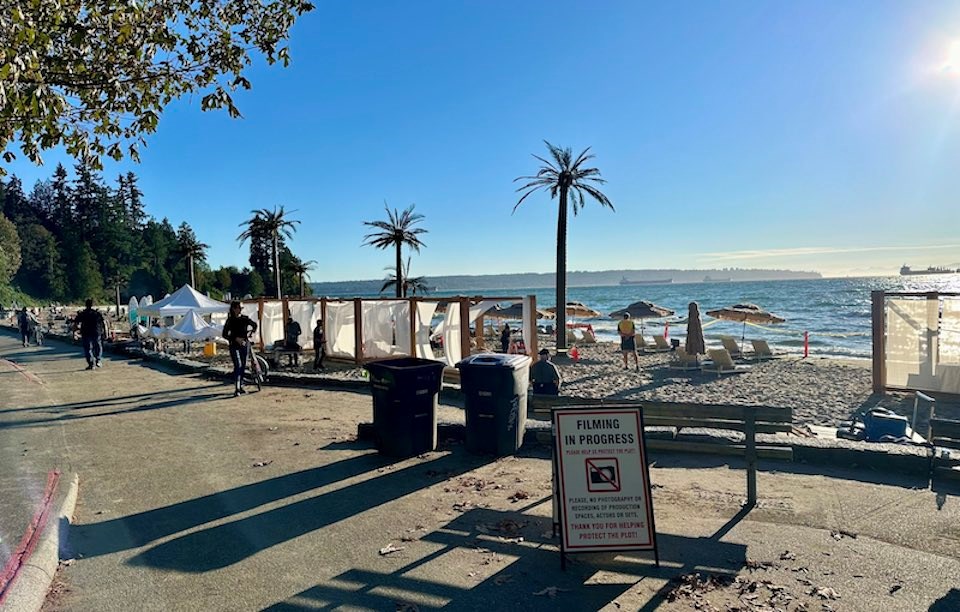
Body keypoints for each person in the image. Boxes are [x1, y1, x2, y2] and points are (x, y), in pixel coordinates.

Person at [222, 300, 258, 397]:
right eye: (239, 308)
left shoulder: (245, 319)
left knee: (242, 366)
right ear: (234, 309)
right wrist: (235, 338)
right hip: (234, 345)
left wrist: (251, 333)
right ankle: (237, 388)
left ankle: (240, 386)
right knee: (238, 365)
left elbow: (254, 325)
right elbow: (224, 334)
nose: (240, 310)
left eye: (242, 308)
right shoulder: (230, 321)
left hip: (244, 344)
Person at [74, 299, 107, 369]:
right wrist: (106, 333)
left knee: (88, 348)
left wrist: (75, 332)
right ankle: (98, 360)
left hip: (86, 333)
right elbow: (104, 323)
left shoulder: (83, 313)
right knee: (98, 346)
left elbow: (76, 323)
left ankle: (91, 364)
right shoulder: (97, 313)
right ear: (92, 305)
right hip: (96, 332)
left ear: (85, 305)